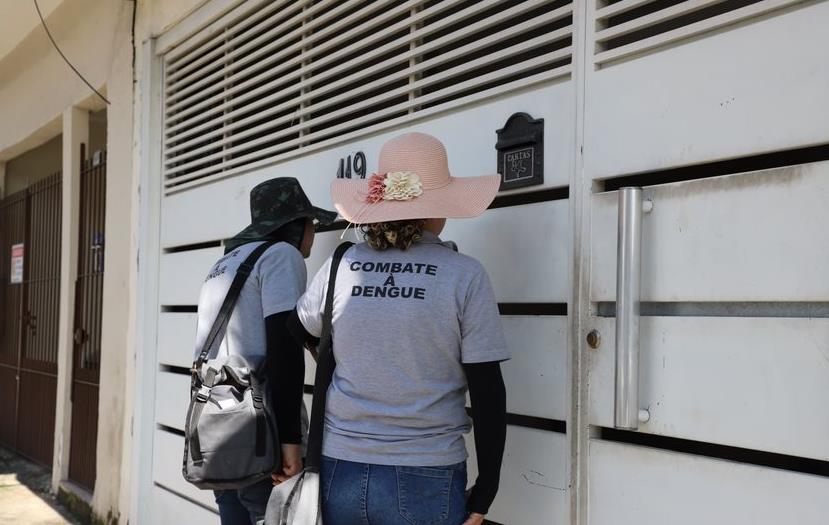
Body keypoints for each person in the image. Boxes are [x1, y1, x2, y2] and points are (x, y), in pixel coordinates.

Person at [285, 132, 509, 525]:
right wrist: (486, 489)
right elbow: (487, 387)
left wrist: (335, 354)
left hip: (342, 464)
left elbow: (296, 324)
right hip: (428, 470)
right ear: (435, 210)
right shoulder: (465, 275)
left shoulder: (344, 265)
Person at [193, 177, 336, 524]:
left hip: (221, 432)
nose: (313, 233)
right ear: (294, 225)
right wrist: (290, 441)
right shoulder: (281, 256)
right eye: (311, 223)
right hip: (263, 435)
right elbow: (284, 350)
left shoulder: (225, 263)